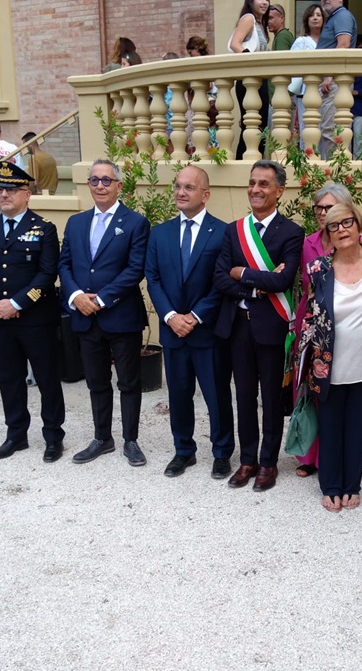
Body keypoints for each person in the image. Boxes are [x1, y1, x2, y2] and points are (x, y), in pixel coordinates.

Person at [213, 159, 304, 492]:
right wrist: (254, 287)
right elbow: (220, 277)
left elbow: (283, 280)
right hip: (238, 327)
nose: (255, 189)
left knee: (271, 398)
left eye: (264, 184)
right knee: (244, 396)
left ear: (279, 190)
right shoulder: (233, 230)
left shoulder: (291, 232)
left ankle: (268, 462)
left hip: (271, 328)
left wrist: (242, 272)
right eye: (252, 183)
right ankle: (248, 460)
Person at [297, 203, 362, 512]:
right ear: (327, 232)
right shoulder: (318, 268)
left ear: (358, 223)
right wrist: (301, 363)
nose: (341, 229)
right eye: (333, 225)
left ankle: (351, 485)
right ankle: (330, 486)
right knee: (330, 427)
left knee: (357, 428)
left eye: (347, 222)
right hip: (328, 367)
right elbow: (310, 316)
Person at [0, 162, 65, 462]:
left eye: (11, 189)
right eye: (0, 189)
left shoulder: (44, 228)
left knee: (47, 379)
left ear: (27, 194)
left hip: (36, 320)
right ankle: (16, 435)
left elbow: (47, 274)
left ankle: (53, 437)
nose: (4, 195)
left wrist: (17, 303)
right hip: (0, 319)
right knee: (9, 379)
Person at [58, 159, 150, 467]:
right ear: (88, 185)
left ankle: (130, 440)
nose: (100, 185)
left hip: (121, 316)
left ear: (119, 185)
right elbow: (65, 264)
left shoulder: (135, 223)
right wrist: (76, 296)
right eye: (94, 180)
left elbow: (135, 269)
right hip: (85, 317)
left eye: (107, 180)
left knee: (128, 382)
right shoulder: (76, 223)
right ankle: (102, 438)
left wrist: (101, 299)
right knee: (96, 381)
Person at [145, 167, 235, 479]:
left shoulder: (223, 232)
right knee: (179, 395)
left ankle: (222, 452)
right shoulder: (160, 233)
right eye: (178, 186)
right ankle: (183, 451)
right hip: (173, 333)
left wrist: (195, 316)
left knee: (217, 396)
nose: (181, 192)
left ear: (205, 195)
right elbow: (153, 279)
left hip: (207, 332)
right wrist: (171, 316)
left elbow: (221, 282)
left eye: (189, 187)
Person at [293, 181, 357, 478]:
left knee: (337, 394)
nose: (322, 213)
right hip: (310, 326)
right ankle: (309, 456)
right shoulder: (307, 243)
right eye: (318, 208)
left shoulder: (359, 242)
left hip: (345, 327)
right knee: (309, 391)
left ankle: (334, 457)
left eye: (329, 207)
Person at [229, 0, 270, 160]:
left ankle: (254, 163)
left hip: (259, 79)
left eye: (267, 0)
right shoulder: (248, 18)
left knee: (259, 127)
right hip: (250, 79)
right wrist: (251, 62)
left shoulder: (259, 23)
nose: (265, 3)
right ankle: (244, 164)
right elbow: (235, 44)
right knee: (252, 126)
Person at [316, 0, 357, 159]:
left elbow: (343, 45)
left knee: (331, 130)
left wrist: (329, 75)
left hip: (334, 81)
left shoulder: (342, 16)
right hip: (331, 80)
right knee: (328, 129)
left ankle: (333, 171)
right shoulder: (335, 17)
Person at [288, 3, 324, 150]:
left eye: (319, 15)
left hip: (325, 92)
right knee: (308, 130)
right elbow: (292, 65)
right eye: (312, 15)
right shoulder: (302, 41)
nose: (315, 18)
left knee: (324, 130)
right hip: (306, 91)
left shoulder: (327, 41)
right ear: (306, 20)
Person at [351, 35, 362, 159]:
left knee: (359, 139)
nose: (359, 48)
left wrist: (358, 92)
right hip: (344, 107)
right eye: (356, 46)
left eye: (361, 46)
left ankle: (357, 163)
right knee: (343, 138)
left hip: (361, 107)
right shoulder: (346, 63)